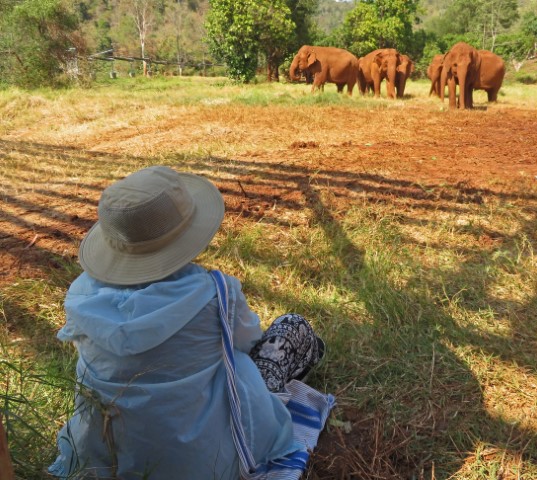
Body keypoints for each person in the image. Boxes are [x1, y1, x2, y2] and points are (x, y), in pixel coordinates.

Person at [49, 166, 333, 480]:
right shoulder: (218, 294)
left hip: (107, 457)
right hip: (207, 462)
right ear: (189, 231)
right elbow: (247, 342)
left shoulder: (81, 296)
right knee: (291, 328)